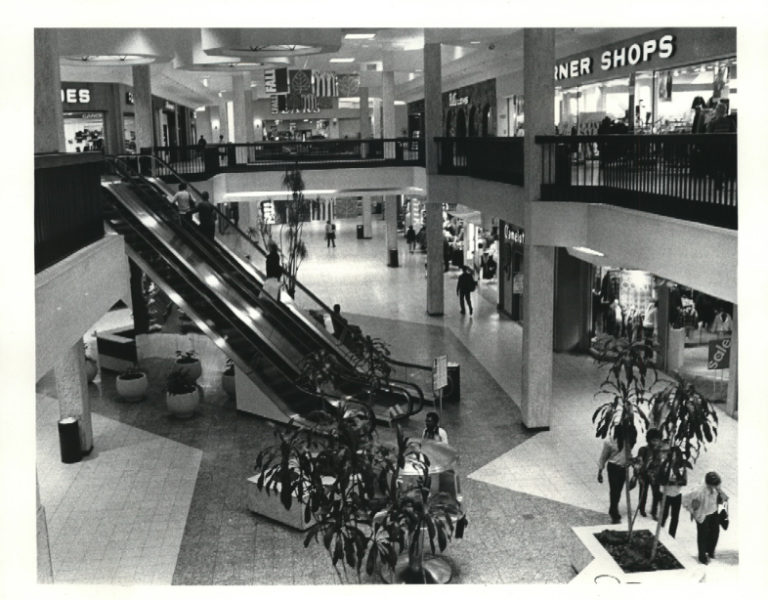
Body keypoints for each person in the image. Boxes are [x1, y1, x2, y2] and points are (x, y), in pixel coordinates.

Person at [682, 471, 729, 564]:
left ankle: (710, 551)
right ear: (709, 484)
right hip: (703, 514)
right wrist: (692, 510)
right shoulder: (698, 491)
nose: (716, 487)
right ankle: (702, 556)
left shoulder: (716, 486)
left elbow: (721, 495)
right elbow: (685, 499)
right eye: (714, 485)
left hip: (714, 511)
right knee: (703, 535)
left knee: (715, 532)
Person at [597, 435, 635, 524]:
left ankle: (612, 508)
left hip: (623, 469)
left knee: (618, 491)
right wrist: (600, 471)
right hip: (613, 468)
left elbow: (629, 455)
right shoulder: (610, 442)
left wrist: (632, 463)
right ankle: (614, 513)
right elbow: (603, 456)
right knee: (614, 490)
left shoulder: (627, 441)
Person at [635, 428, 662, 518]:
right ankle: (642, 509)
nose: (655, 442)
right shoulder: (643, 450)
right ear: (649, 440)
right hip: (644, 474)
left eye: (657, 440)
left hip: (655, 475)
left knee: (656, 493)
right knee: (643, 492)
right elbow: (638, 463)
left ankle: (654, 512)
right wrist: (638, 475)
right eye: (654, 440)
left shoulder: (659, 450)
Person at [660, 455, 687, 538]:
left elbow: (684, 481)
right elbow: (661, 480)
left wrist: (673, 482)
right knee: (664, 515)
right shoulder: (665, 467)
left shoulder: (682, 468)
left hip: (677, 495)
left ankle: (672, 536)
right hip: (665, 494)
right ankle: (660, 534)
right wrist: (675, 481)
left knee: (675, 518)